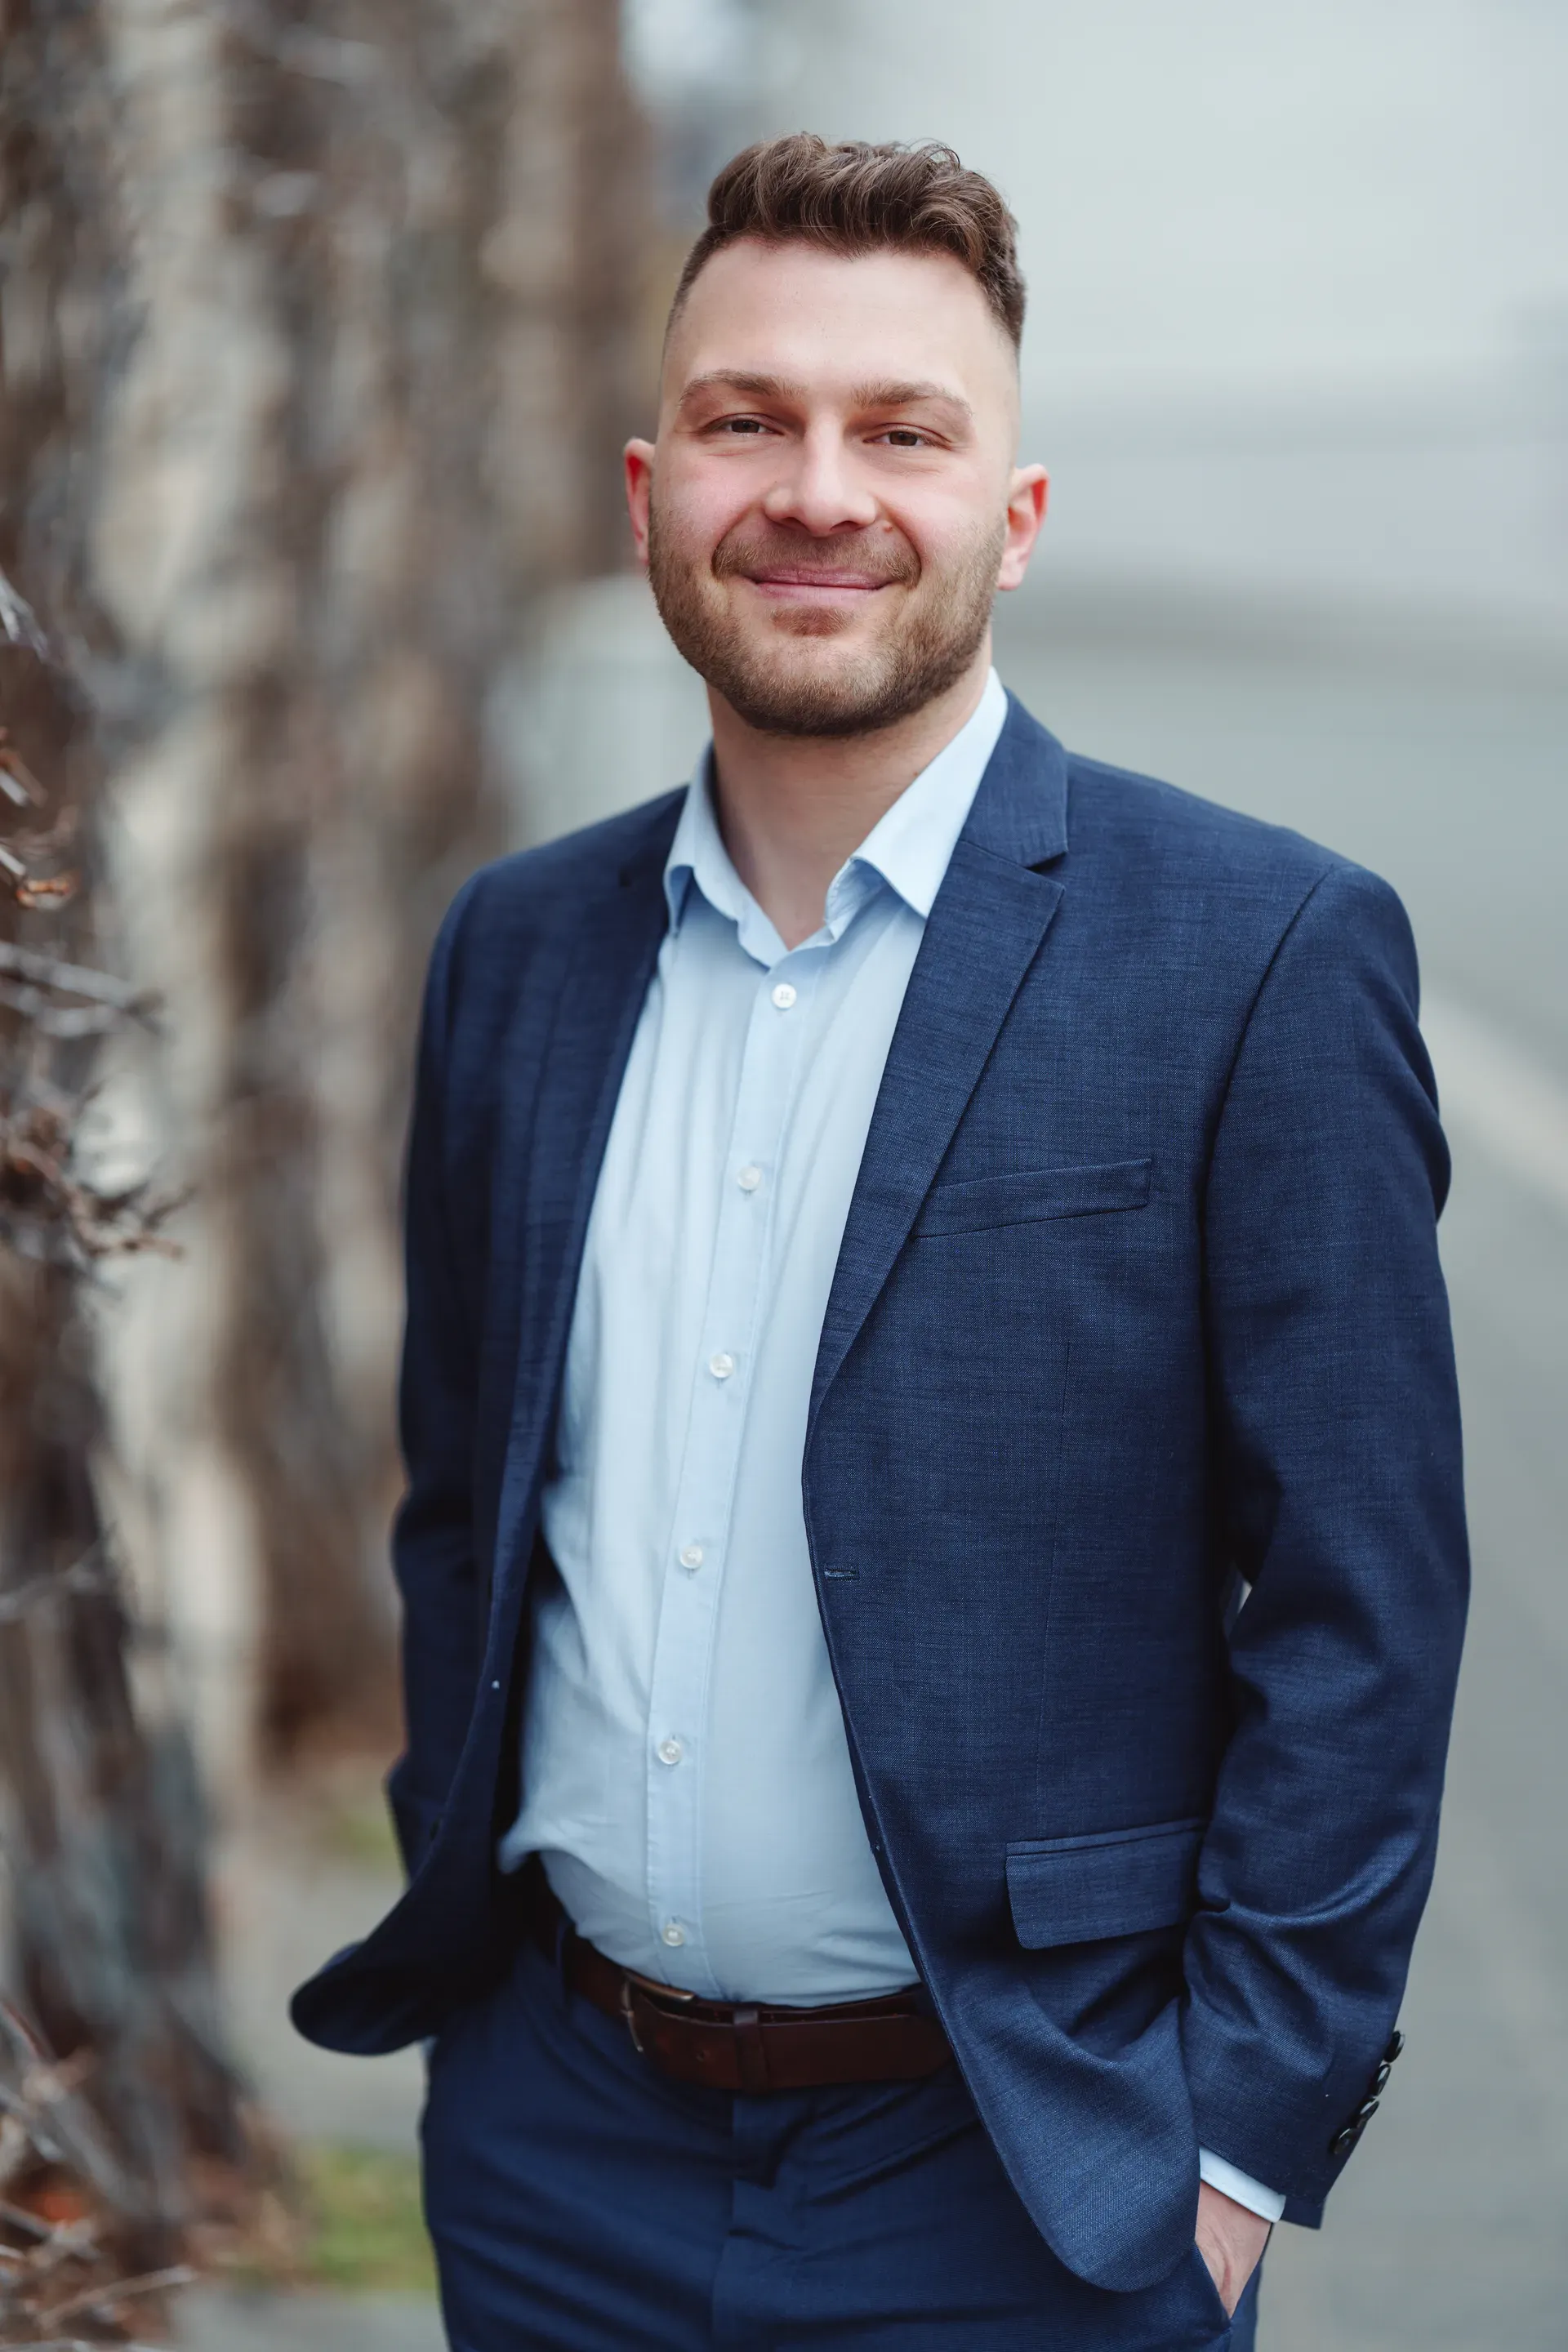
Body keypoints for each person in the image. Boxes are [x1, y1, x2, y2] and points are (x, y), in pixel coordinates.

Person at [292, 136, 1468, 2350]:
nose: (818, 492)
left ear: (1012, 517)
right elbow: (467, 1510)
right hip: (562, 2166)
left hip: (1027, 2188)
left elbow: (1364, 1611)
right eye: (749, 420)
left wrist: (1235, 2148)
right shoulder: (515, 953)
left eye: (902, 432)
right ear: (650, 489)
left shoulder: (1258, 955)